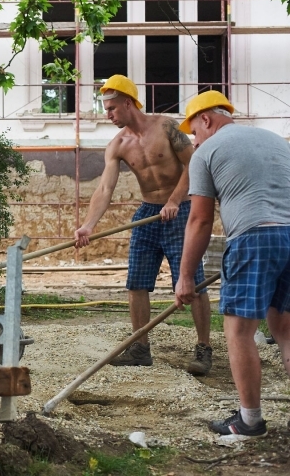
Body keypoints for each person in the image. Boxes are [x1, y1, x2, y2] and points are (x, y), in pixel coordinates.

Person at [74, 75, 212, 374]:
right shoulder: (118, 144)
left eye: (111, 108)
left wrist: (175, 200)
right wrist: (88, 226)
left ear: (128, 102)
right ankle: (140, 347)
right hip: (148, 214)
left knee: (194, 283)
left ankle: (203, 348)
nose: (107, 115)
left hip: (181, 212)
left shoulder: (167, 127)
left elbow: (193, 164)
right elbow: (105, 189)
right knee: (136, 283)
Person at [175, 90, 290, 436]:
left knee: (239, 332)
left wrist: (184, 277)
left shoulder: (206, 151)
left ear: (206, 119)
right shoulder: (275, 140)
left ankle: (249, 421)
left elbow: (199, 220)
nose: (194, 139)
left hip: (254, 239)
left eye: (194, 131)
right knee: (285, 331)